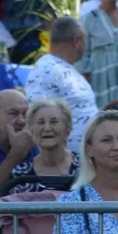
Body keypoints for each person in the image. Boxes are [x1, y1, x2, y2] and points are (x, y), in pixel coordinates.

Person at [24, 15, 97, 150]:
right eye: (86, 39)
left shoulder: (66, 68)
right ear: (76, 40)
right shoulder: (45, 70)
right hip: (63, 163)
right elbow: (37, 115)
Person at [7, 98, 80, 194]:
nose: (47, 128)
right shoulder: (20, 174)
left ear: (68, 130)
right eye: (41, 122)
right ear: (31, 131)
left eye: (54, 122)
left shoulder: (85, 167)